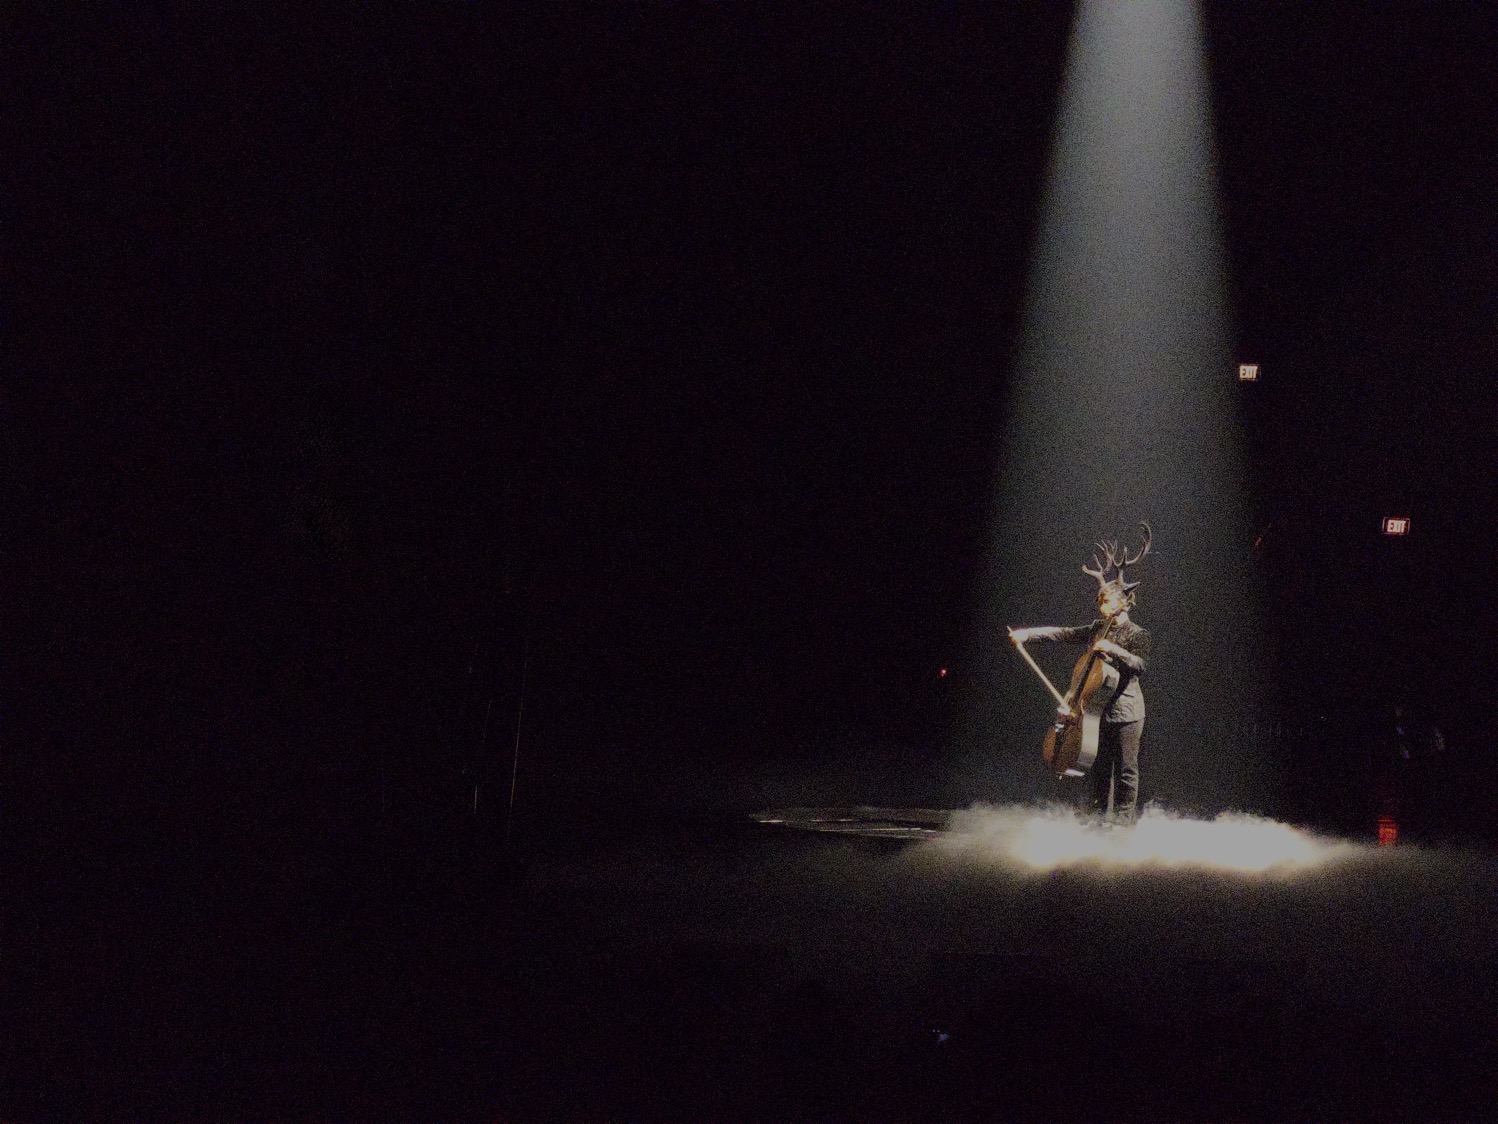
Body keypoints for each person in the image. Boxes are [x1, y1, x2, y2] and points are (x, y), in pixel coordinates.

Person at [1010, 527, 1152, 824]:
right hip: (1096, 712)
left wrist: (1113, 648)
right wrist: (1027, 634)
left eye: (1106, 603)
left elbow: (1140, 665)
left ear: (1123, 603)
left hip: (1127, 711)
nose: (1102, 609)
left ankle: (1124, 824)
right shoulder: (1097, 629)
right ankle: (1099, 820)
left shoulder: (1138, 634)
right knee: (1098, 767)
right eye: (1100, 603)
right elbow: (1064, 633)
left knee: (1126, 768)